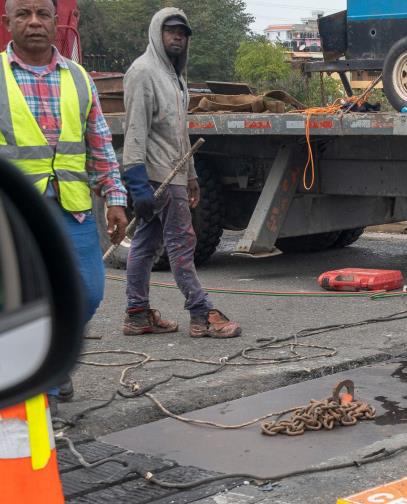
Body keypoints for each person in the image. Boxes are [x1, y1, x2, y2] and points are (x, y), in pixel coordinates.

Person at [1, 1, 126, 501]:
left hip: (73, 209)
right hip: (15, 213)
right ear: (8, 23)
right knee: (19, 303)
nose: (34, 22)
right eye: (22, 13)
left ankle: (42, 369)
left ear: (57, 23)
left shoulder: (78, 77)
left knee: (88, 293)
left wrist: (114, 196)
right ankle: (39, 387)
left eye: (43, 14)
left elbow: (99, 143)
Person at [120, 7, 241, 338]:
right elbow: (135, 131)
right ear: (157, 33)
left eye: (183, 32)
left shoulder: (174, 76)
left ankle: (137, 314)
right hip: (156, 175)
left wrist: (191, 176)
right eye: (171, 30)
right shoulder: (143, 72)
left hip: (174, 173)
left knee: (146, 243)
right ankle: (201, 313)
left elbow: (179, 133)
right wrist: (136, 181)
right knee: (182, 243)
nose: (178, 36)